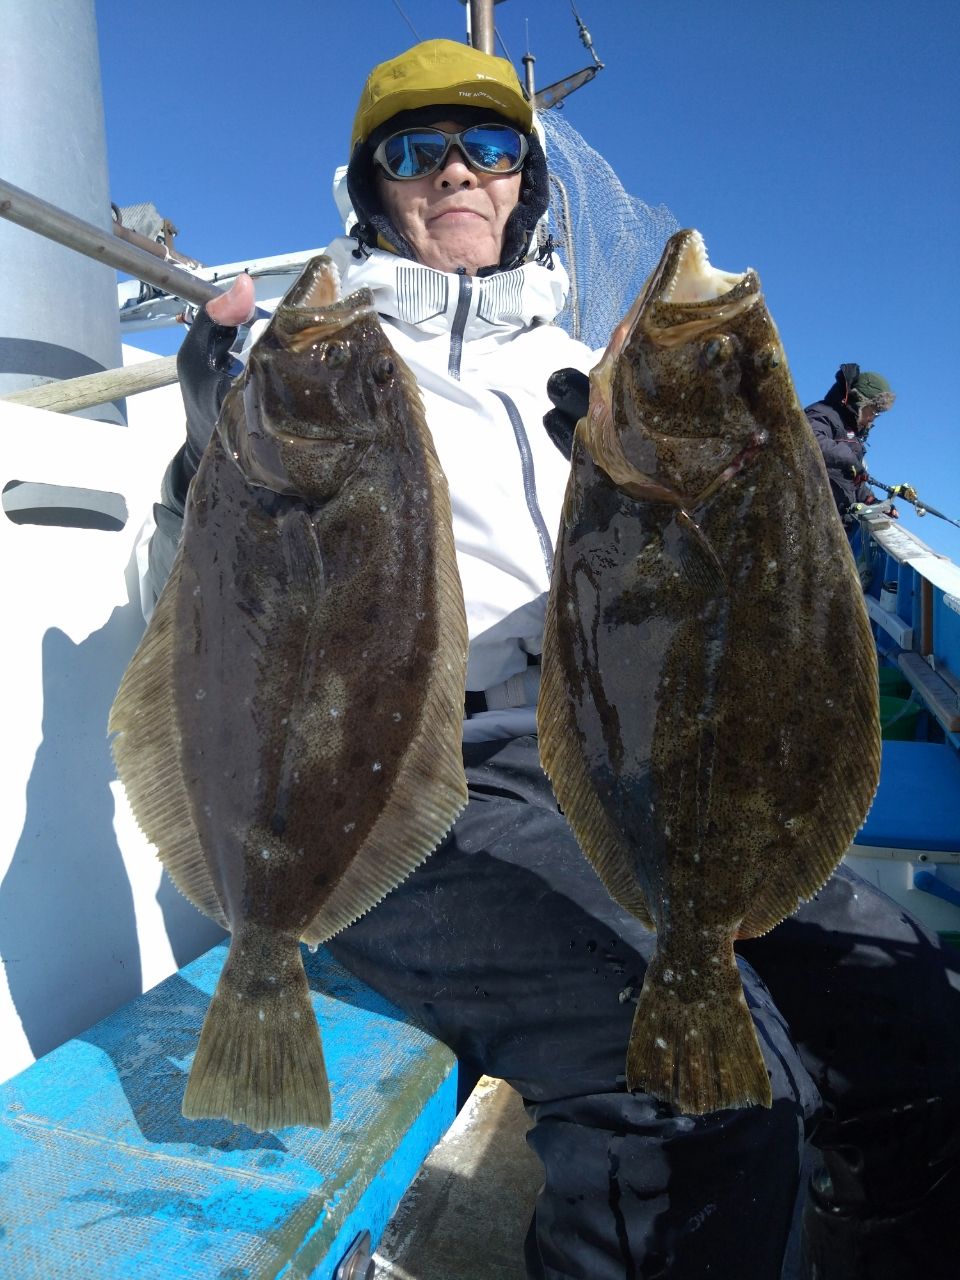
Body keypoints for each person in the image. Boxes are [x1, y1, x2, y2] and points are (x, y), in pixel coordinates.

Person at [145, 39, 960, 1279]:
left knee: (908, 1011)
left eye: (492, 148)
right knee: (700, 1104)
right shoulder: (318, 363)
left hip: (609, 748)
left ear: (527, 177)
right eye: (418, 152)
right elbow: (221, 620)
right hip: (405, 771)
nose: (459, 171)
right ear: (372, 187)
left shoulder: (577, 367)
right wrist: (207, 458)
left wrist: (780, 463)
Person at [804, 364, 897, 521]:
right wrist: (850, 460)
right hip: (811, 513)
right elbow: (810, 441)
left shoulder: (852, 434)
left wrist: (870, 500)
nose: (874, 417)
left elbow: (848, 479)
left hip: (836, 518)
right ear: (860, 402)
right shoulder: (823, 412)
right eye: (874, 410)